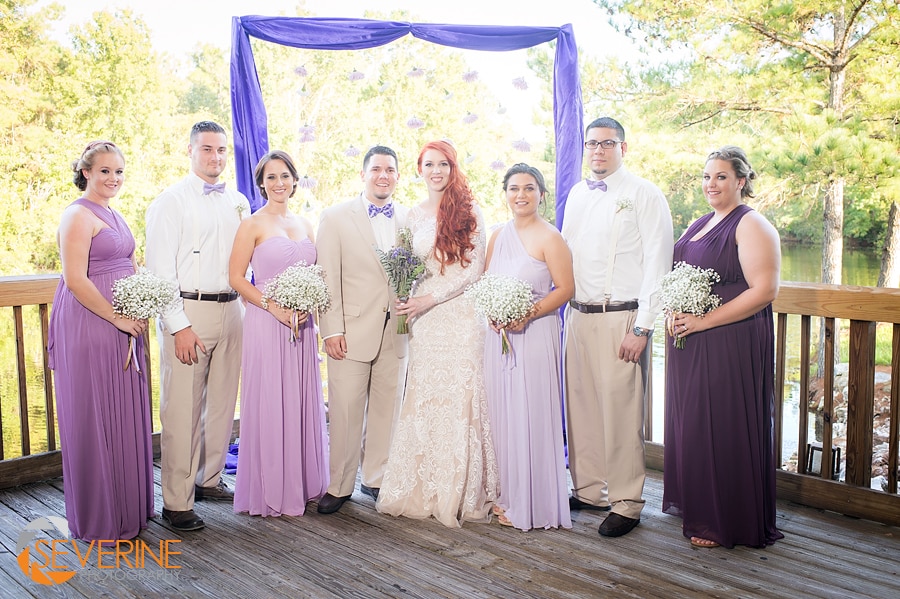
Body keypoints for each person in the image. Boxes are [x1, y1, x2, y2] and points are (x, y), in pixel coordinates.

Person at [662, 146, 783, 549]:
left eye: (721, 177)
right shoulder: (700, 222)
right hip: (692, 340)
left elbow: (765, 290)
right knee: (694, 424)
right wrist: (673, 311)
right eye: (706, 177)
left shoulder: (751, 225)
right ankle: (701, 506)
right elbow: (680, 276)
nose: (710, 184)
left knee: (722, 425)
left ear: (741, 181)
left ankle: (723, 518)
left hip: (729, 339)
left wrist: (702, 321)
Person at [561, 117, 674, 538]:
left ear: (624, 147)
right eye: (592, 143)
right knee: (582, 407)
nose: (598, 151)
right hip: (577, 315)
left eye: (608, 143)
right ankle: (589, 489)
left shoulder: (645, 194)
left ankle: (626, 502)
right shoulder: (576, 194)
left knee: (622, 412)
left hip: (621, 316)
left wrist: (642, 327)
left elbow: (659, 265)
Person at [377, 139, 498, 528]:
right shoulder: (412, 215)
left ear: (453, 167)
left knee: (459, 398)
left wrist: (431, 298)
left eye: (443, 164)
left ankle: (459, 491)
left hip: (459, 318)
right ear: (419, 169)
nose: (436, 171)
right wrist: (408, 298)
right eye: (429, 164)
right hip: (425, 323)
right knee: (426, 397)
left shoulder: (470, 211)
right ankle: (422, 488)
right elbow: (408, 265)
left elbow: (473, 269)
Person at [145, 121, 251, 531]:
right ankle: (176, 501)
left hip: (232, 309)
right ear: (189, 151)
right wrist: (177, 325)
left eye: (222, 150)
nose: (216, 157)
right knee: (182, 410)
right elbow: (159, 273)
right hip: (189, 312)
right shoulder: (169, 202)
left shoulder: (238, 201)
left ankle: (208, 479)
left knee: (223, 404)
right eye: (207, 149)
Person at [48, 141, 154, 540]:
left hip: (124, 320)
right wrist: (117, 318)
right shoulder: (77, 214)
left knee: (123, 411)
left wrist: (143, 300)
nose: (113, 179)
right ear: (86, 172)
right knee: (95, 413)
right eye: (105, 171)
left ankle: (128, 508)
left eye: (119, 172)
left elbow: (128, 262)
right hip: (93, 322)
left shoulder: (113, 212)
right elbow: (75, 279)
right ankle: (99, 518)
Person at [229, 150, 329, 517]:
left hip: (302, 326)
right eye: (271, 177)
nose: (279, 183)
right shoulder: (251, 224)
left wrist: (307, 308)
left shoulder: (305, 224)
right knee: (272, 398)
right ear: (261, 184)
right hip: (267, 322)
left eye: (284, 175)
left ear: (294, 180)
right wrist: (274, 306)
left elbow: (316, 275)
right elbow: (237, 278)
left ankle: (302, 481)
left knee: (301, 399)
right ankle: (272, 487)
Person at [316, 145, 409, 514]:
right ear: (364, 174)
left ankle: (377, 479)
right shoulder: (336, 217)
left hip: (397, 330)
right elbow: (327, 277)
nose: (383, 175)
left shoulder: (409, 219)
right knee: (345, 411)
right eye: (376, 169)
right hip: (350, 332)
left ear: (398, 177)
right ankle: (339, 486)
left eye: (390, 170)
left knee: (388, 410)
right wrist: (331, 329)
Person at [483, 163, 574, 531]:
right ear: (505, 194)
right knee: (503, 415)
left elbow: (566, 289)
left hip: (535, 334)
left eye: (529, 188)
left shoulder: (550, 236)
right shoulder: (496, 236)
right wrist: (493, 312)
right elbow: (487, 284)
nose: (521, 194)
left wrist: (527, 314)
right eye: (514, 188)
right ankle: (507, 494)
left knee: (531, 413)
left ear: (541, 194)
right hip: (497, 337)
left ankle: (533, 503)